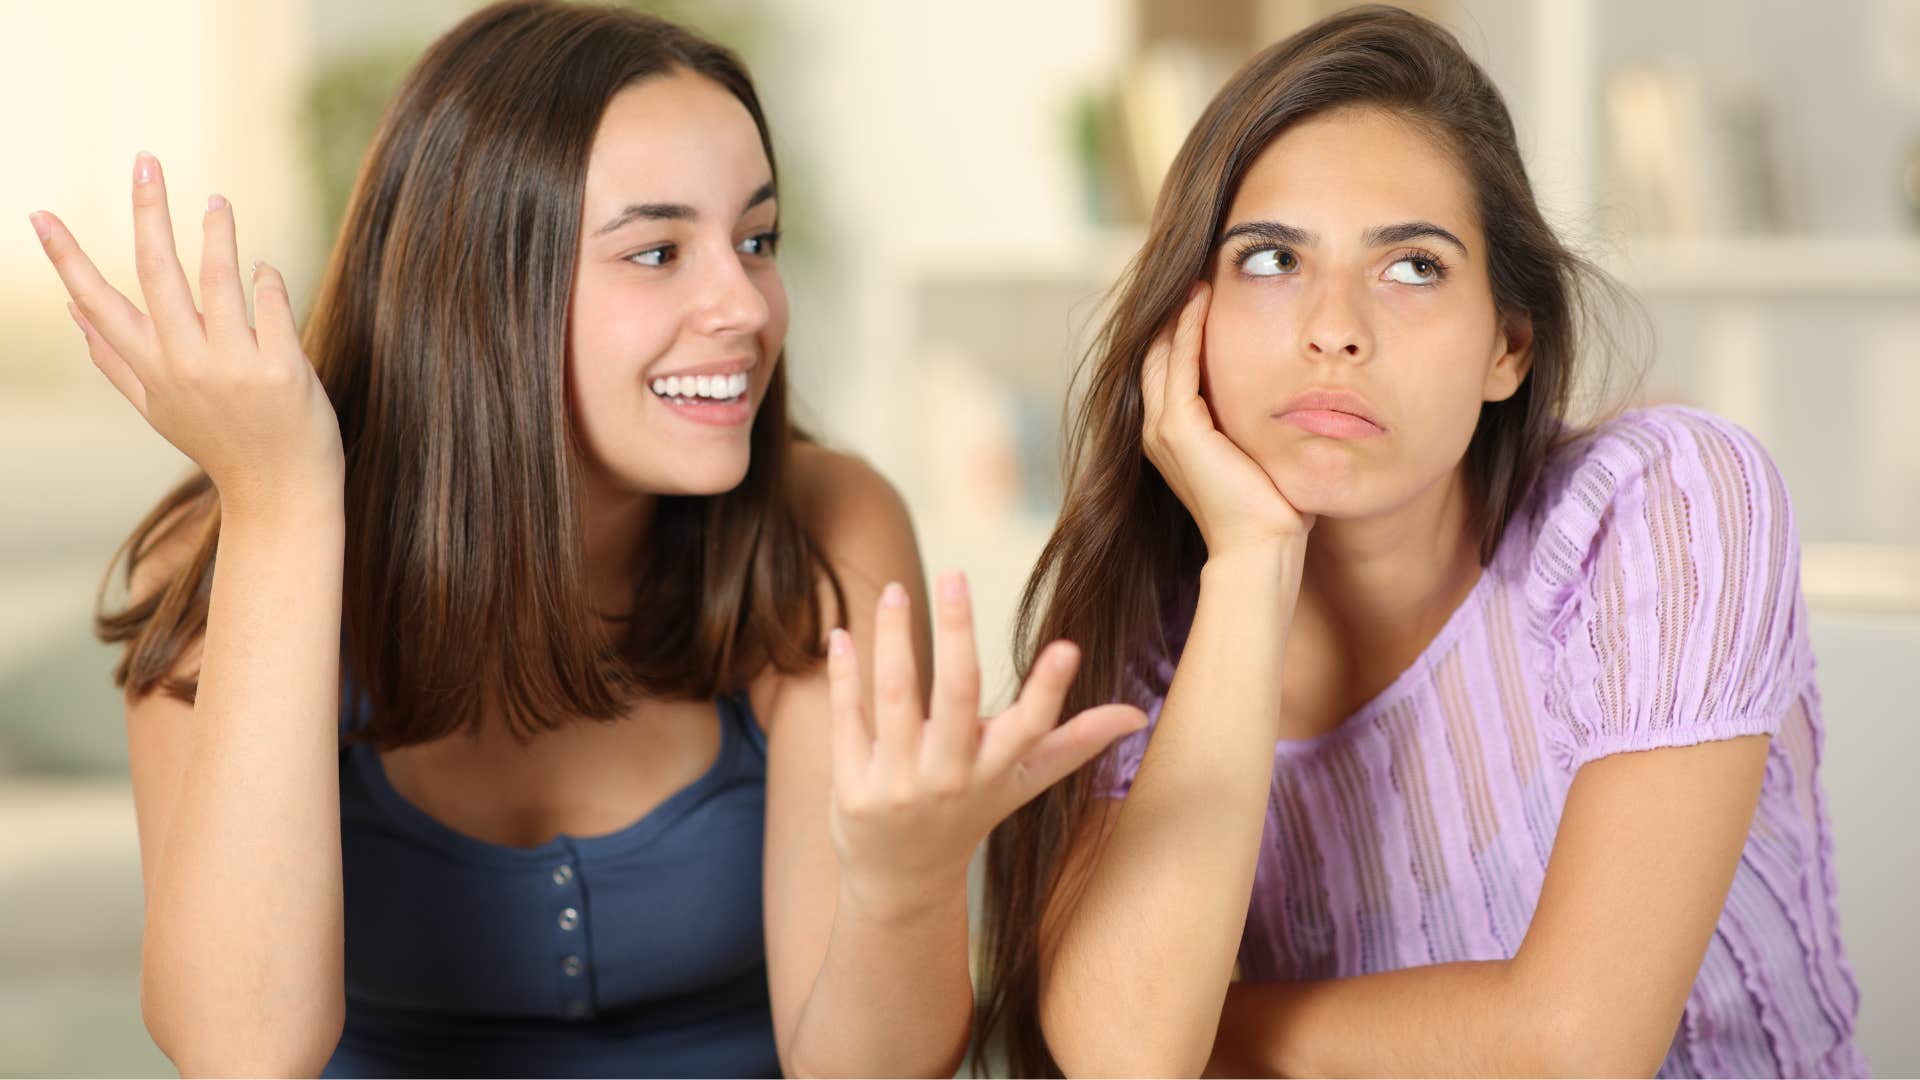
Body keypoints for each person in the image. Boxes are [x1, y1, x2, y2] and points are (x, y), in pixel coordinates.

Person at [28, 2, 1139, 1075]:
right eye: (657, 253)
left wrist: (904, 886)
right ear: (482, 292)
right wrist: (281, 507)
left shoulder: (826, 532)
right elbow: (243, 1053)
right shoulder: (229, 560)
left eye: (757, 239)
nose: (747, 306)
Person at [976, 6, 1864, 1076]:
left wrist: (1214, 1029)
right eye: (1269, 261)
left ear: (1509, 343)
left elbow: (1575, 1048)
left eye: (1412, 267)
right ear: (1185, 322)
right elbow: (1121, 1058)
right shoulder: (1149, 661)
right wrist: (1254, 559)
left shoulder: (1665, 508)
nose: (1336, 326)